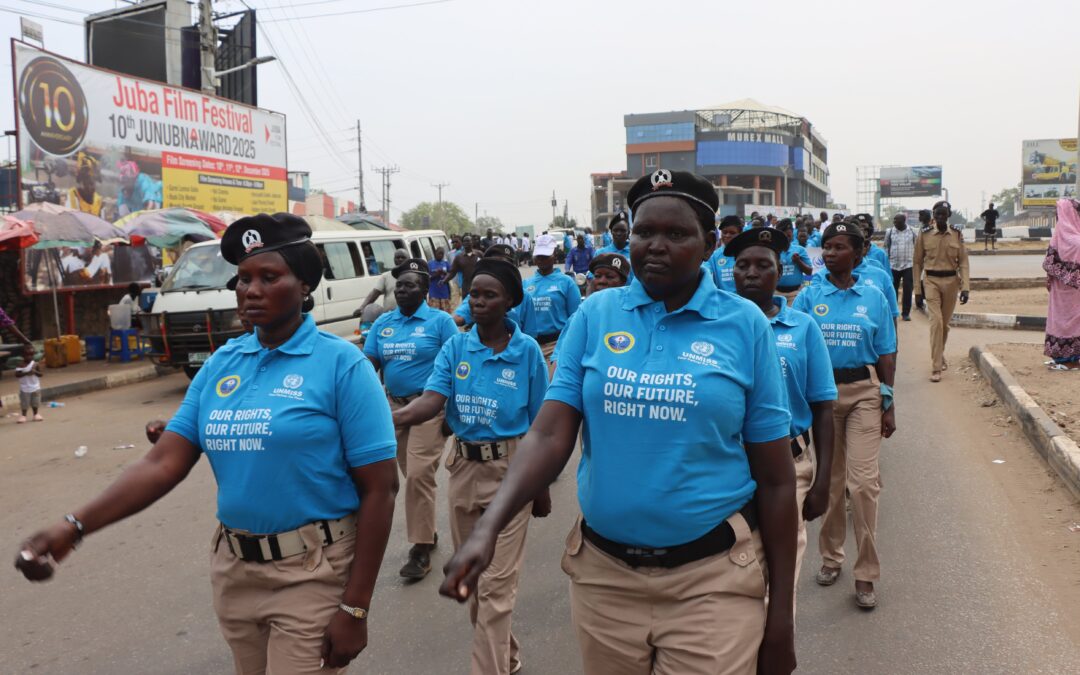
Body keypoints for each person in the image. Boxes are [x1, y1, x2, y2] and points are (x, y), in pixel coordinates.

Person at [441, 169, 797, 675]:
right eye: (643, 232)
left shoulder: (745, 326)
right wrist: (488, 528)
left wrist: (780, 618)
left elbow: (778, 480)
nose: (655, 246)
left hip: (711, 582)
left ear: (712, 243)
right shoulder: (595, 314)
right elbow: (548, 431)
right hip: (603, 581)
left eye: (676, 234)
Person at [15, 213, 399, 673]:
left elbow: (380, 489)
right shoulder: (222, 364)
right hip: (235, 572)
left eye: (269, 277)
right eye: (243, 279)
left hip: (313, 572)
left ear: (304, 286)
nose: (250, 290)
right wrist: (74, 526)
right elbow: (162, 464)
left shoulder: (342, 366)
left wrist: (355, 607)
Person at [392, 257, 548, 675]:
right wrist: (391, 419)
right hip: (463, 469)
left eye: (488, 294)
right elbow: (431, 401)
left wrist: (541, 488)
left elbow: (541, 425)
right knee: (474, 581)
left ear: (510, 300)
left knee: (497, 586)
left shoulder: (528, 352)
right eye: (474, 293)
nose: (477, 302)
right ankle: (507, 656)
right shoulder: (456, 347)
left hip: (511, 473)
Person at [793, 221, 896, 611]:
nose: (830, 253)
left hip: (865, 393)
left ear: (858, 254)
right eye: (827, 247)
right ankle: (831, 557)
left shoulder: (873, 297)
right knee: (831, 483)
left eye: (839, 247)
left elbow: (886, 352)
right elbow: (796, 346)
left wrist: (889, 400)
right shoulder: (807, 296)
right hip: (822, 400)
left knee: (863, 483)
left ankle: (866, 571)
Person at [729, 227, 835, 604]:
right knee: (735, 577)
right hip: (729, 466)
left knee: (780, 579)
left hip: (791, 467)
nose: (752, 273)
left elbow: (823, 407)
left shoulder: (803, 328)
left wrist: (823, 481)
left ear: (779, 271)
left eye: (763, 265)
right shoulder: (717, 327)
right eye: (742, 265)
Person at [364, 258, 459, 580]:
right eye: (399, 285)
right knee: (410, 473)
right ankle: (427, 530)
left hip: (428, 407)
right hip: (391, 409)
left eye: (410, 285)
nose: (403, 290)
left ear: (424, 289)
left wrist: (452, 415)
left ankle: (420, 549)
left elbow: (458, 369)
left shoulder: (440, 322)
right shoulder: (383, 324)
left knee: (419, 474)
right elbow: (369, 364)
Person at [913, 200, 970, 382]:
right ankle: (936, 367)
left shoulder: (956, 234)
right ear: (933, 216)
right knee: (936, 322)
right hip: (931, 281)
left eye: (943, 214)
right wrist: (917, 290)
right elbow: (917, 262)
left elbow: (963, 262)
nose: (940, 218)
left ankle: (940, 353)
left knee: (944, 325)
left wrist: (966, 287)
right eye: (937, 214)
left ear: (948, 216)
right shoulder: (925, 234)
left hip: (952, 282)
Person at [523, 234, 581, 369]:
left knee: (549, 385)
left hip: (555, 346)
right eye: (539, 255)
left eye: (545, 255)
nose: (541, 259)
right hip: (530, 346)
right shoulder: (525, 284)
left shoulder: (566, 282)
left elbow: (575, 318)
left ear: (554, 254)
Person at [1043, 199, 1080, 370]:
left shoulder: (1076, 241)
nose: (1057, 216)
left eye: (1059, 212)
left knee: (1072, 323)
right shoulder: (1059, 235)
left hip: (1072, 295)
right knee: (1058, 322)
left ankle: (1071, 361)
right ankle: (1060, 358)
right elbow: (1049, 262)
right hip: (1059, 293)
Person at [884, 213, 917, 321]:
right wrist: (887, 263)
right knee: (893, 290)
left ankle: (905, 313)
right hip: (893, 265)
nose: (894, 223)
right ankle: (893, 312)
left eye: (896, 221)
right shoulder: (890, 232)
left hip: (908, 265)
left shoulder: (912, 231)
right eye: (894, 221)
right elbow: (886, 247)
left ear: (904, 221)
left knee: (908, 289)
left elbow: (917, 246)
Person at [356, 248, 408, 316]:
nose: (400, 259)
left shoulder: (414, 275)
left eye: (403, 257)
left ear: (408, 259)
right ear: (394, 260)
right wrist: (362, 308)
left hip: (408, 315)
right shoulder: (386, 276)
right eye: (397, 257)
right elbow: (375, 293)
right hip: (390, 316)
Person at [706, 214, 746, 293]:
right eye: (724, 232)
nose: (727, 235)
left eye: (732, 233)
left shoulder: (747, 254)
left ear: (740, 234)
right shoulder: (714, 256)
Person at [775, 219, 812, 304]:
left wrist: (798, 261)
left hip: (795, 294)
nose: (786, 238)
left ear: (792, 233)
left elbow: (809, 272)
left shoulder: (800, 250)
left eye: (788, 235)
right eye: (783, 235)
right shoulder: (774, 251)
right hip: (776, 293)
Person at [596, 211, 632, 282]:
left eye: (622, 230)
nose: (618, 233)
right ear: (611, 232)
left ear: (628, 233)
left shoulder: (635, 253)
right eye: (615, 230)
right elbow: (593, 277)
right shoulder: (600, 253)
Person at [15, 344, 44, 424]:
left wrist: (35, 372)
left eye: (31, 355)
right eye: (27, 355)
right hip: (25, 388)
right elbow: (17, 374)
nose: (29, 357)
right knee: (25, 402)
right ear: (23, 355)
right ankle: (24, 415)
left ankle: (36, 414)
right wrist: (26, 373)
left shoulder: (35, 364)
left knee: (35, 401)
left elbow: (41, 374)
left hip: (35, 387)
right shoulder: (20, 365)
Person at [68, 152, 103, 217]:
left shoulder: (98, 200)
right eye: (86, 183)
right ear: (81, 182)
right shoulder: (73, 195)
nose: (90, 188)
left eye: (92, 184)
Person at [428, 247, 453, 312]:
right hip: (434, 294)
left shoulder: (446, 263)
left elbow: (450, 274)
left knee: (445, 313)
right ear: (435, 253)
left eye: (442, 254)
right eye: (439, 253)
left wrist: (444, 273)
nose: (441, 255)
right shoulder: (430, 264)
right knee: (434, 314)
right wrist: (436, 274)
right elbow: (427, 278)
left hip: (444, 293)